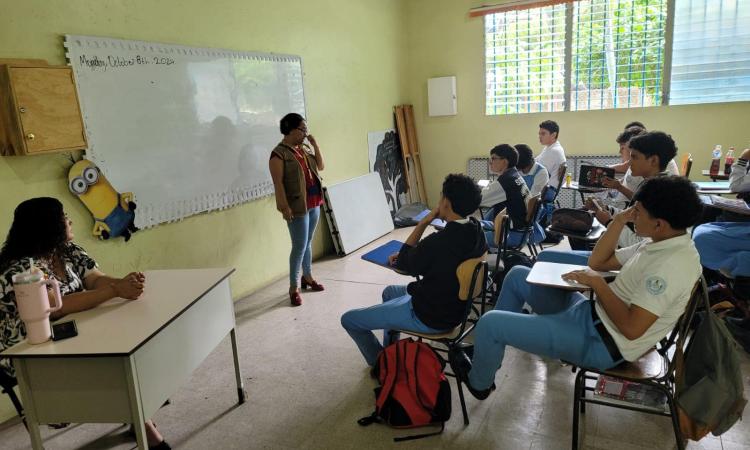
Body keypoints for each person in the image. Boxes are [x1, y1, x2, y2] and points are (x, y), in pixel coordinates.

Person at [449, 177, 703, 400]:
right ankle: (488, 357)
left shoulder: (670, 265)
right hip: (592, 315)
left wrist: (597, 283)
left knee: (490, 323)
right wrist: (619, 221)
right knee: (517, 275)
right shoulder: (658, 241)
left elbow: (632, 328)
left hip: (602, 342)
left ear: (659, 223)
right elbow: (598, 261)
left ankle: (479, 383)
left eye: (638, 211)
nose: (633, 213)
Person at [0, 198, 170, 450]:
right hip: (28, 348)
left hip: (71, 330)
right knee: (109, 360)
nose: (69, 221)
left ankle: (136, 410)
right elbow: (56, 308)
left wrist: (122, 284)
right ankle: (142, 422)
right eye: (63, 217)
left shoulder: (66, 250)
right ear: (46, 226)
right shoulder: (22, 269)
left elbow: (94, 280)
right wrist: (115, 290)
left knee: (127, 337)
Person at [340, 174, 487, 366]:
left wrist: (424, 222)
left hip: (430, 315)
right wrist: (410, 254)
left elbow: (402, 264)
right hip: (457, 308)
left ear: (446, 203)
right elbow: (431, 257)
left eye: (442, 196)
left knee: (349, 319)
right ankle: (391, 352)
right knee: (390, 291)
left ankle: (381, 365)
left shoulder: (438, 242)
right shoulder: (476, 230)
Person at [269, 113, 325, 307]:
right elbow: (278, 184)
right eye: (303, 129)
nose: (305, 133)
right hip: (296, 206)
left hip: (313, 201)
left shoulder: (303, 149)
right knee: (299, 245)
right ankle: (294, 287)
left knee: (308, 241)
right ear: (292, 130)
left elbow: (321, 166)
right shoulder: (278, 154)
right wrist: (284, 207)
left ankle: (307, 277)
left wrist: (315, 145)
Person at [535, 120, 566, 191]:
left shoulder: (554, 151)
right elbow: (536, 161)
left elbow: (538, 170)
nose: (539, 136)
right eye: (539, 134)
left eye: (543, 134)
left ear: (553, 135)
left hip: (548, 191)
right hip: (547, 188)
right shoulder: (549, 147)